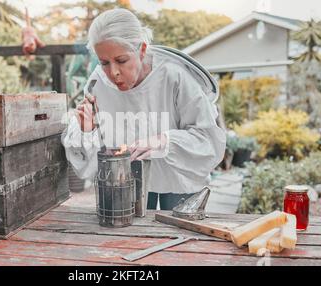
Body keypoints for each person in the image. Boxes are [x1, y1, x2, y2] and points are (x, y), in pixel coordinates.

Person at [61, 8, 226, 210]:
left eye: (121, 61)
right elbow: (91, 162)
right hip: (125, 181)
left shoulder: (175, 76)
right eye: (104, 62)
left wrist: (162, 141)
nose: (113, 73)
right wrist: (87, 130)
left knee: (178, 230)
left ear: (142, 49)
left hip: (179, 177)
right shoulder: (98, 84)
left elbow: (208, 140)